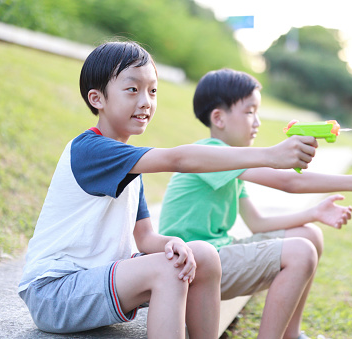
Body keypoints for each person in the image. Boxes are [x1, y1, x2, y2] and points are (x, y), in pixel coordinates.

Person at [17, 43, 318, 339]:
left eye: (153, 90)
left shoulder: (128, 165)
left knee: (202, 253)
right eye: (133, 90)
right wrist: (269, 156)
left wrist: (173, 242)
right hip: (54, 293)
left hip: (94, 281)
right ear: (97, 99)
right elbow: (178, 159)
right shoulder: (91, 150)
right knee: (167, 270)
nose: (146, 101)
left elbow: (146, 238)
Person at [158, 68, 352, 339]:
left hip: (215, 256)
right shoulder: (212, 154)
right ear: (218, 118)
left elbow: (257, 223)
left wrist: (314, 213)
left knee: (309, 234)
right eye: (250, 111)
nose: (257, 122)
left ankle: (292, 334)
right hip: (193, 269)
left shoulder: (231, 164)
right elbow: (290, 182)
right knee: (300, 252)